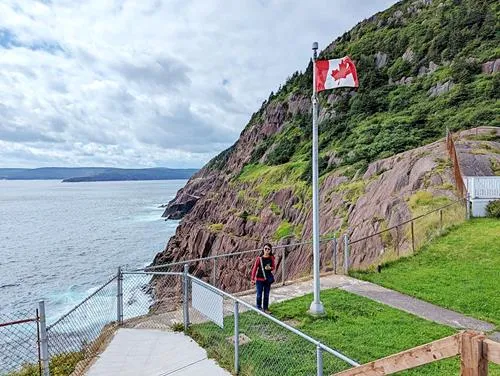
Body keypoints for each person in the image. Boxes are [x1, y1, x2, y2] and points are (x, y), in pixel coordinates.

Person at [251, 243, 275, 314]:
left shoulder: (271, 258)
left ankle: (265, 308)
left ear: (270, 250)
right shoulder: (259, 259)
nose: (267, 250)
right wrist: (252, 279)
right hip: (259, 279)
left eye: (268, 249)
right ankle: (258, 307)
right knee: (259, 295)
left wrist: (270, 268)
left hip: (267, 279)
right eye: (265, 249)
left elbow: (273, 267)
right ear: (263, 249)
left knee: (266, 294)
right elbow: (254, 268)